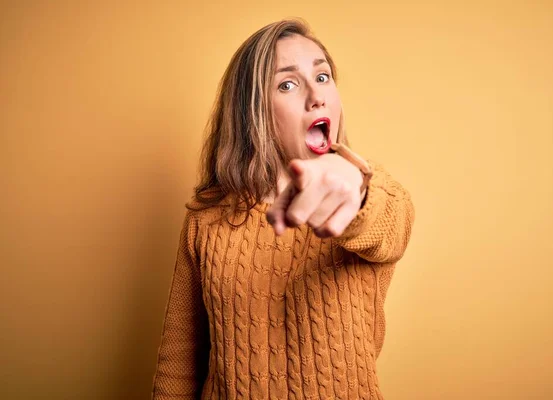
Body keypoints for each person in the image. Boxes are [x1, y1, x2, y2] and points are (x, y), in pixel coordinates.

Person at [152, 19, 415, 400]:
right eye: (287, 84)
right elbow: (178, 365)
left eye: (323, 76)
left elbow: (392, 227)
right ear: (253, 112)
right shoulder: (205, 220)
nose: (316, 96)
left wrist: (357, 189)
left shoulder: (369, 193)